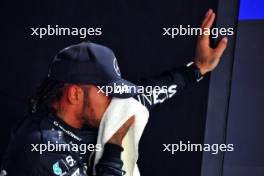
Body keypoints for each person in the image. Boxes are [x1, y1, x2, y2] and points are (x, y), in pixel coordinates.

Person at [0, 9, 227, 176]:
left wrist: (198, 69)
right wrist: (113, 148)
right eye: (107, 91)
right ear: (74, 94)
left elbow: (147, 93)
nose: (115, 99)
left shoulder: (101, 108)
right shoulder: (39, 148)